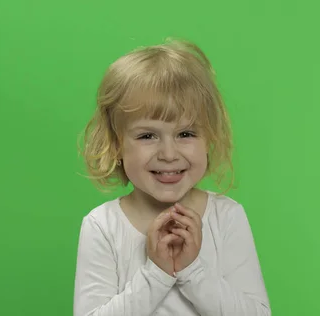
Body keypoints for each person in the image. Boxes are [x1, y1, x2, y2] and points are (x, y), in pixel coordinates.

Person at [74, 39, 271, 316]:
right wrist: (157, 274)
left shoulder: (226, 216)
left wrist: (193, 270)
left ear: (208, 138)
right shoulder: (102, 226)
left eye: (186, 134)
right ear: (116, 144)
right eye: (147, 136)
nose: (169, 154)